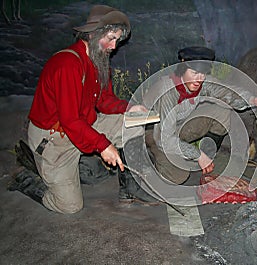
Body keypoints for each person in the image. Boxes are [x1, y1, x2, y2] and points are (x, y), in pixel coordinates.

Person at [8, 5, 157, 214]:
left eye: (117, 40)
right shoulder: (67, 64)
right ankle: (26, 177)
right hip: (53, 138)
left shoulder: (99, 61)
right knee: (69, 206)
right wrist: (103, 145)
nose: (114, 46)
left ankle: (131, 189)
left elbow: (104, 101)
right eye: (111, 38)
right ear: (94, 34)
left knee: (132, 123)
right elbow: (70, 120)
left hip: (83, 124)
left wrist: (130, 108)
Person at [144, 46, 257, 185]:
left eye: (203, 74)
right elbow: (165, 139)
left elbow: (225, 91)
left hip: (177, 126)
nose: (199, 79)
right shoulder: (167, 90)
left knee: (221, 111)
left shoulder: (200, 81)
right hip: (155, 134)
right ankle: (150, 160)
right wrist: (197, 155)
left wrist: (252, 100)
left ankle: (208, 157)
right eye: (194, 73)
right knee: (178, 176)